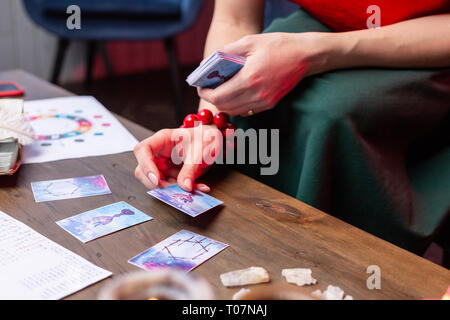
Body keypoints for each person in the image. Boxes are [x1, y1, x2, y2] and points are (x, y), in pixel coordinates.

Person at [134, 0, 450, 254]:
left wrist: (312, 53)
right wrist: (209, 120)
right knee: (251, 96)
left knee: (326, 113)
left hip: (430, 37)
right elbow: (234, 20)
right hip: (316, 28)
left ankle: (359, 262)